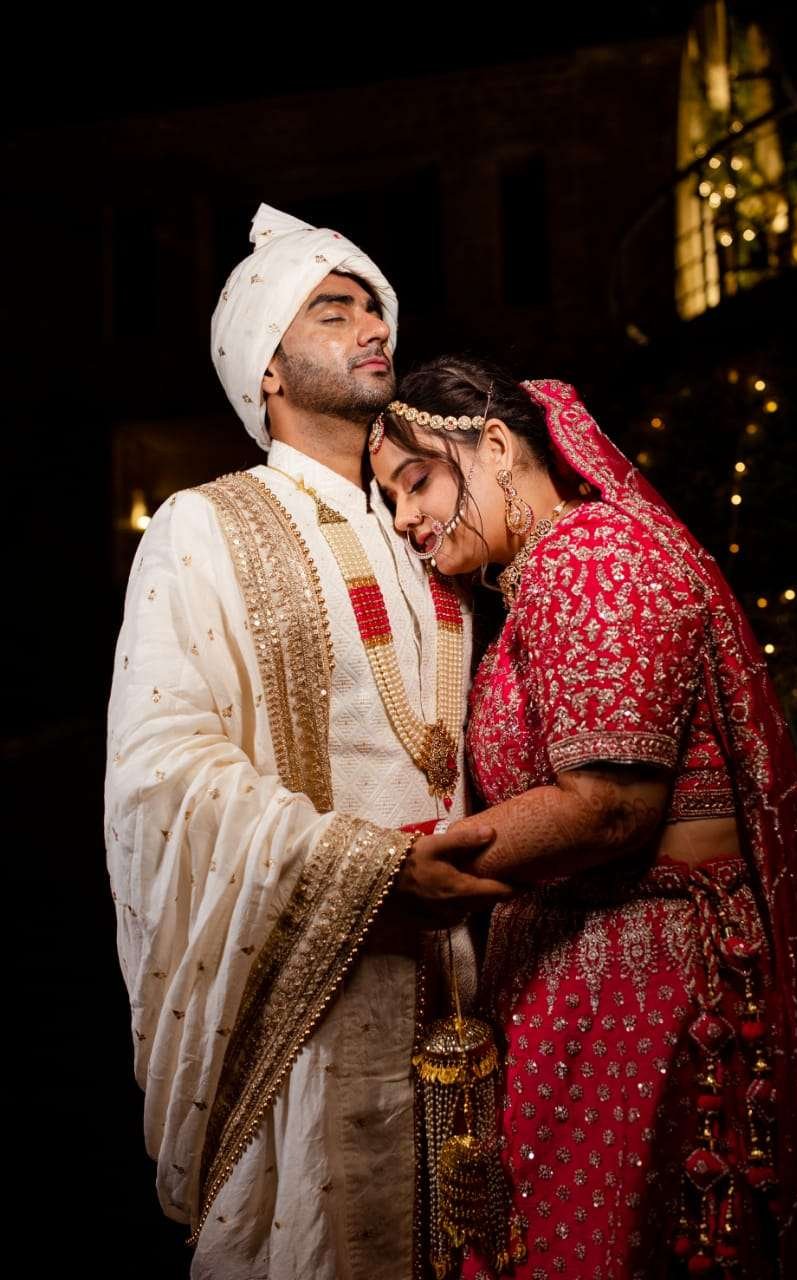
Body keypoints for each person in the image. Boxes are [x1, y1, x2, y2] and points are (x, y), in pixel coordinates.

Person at [104, 210, 509, 1280]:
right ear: (266, 367)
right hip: (310, 987)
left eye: (375, 306)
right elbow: (161, 766)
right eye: (333, 310)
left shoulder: (431, 529)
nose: (373, 326)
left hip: (471, 977)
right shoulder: (206, 524)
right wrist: (370, 868)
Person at [370, 355, 797, 1277]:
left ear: (494, 446)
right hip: (592, 972)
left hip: (638, 980)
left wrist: (398, 868)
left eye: (415, 482)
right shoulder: (540, 576)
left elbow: (611, 806)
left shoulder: (591, 559)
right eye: (388, 499)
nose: (403, 518)